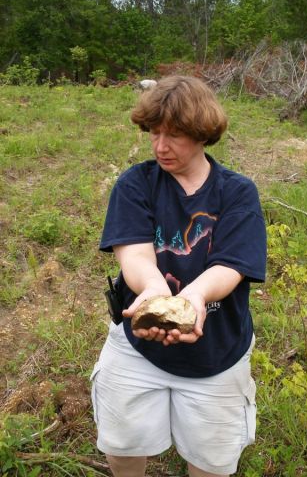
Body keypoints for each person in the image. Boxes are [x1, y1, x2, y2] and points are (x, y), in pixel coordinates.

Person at [91, 75, 267, 477]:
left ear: (203, 134)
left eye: (174, 135)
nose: (160, 147)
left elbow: (230, 266)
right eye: (154, 133)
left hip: (217, 353)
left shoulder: (236, 193)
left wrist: (193, 298)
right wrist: (155, 292)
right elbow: (134, 254)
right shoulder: (137, 183)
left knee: (212, 462)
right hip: (137, 343)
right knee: (121, 445)